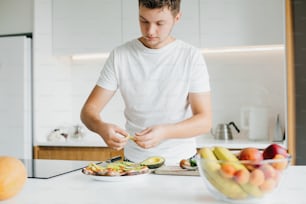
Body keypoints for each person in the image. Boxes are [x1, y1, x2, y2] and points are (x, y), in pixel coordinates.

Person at [80, 0, 212, 165]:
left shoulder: (191, 56)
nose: (150, 31)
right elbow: (88, 111)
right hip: (133, 163)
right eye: (144, 21)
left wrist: (165, 132)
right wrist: (101, 128)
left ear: (176, 18)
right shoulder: (120, 55)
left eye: (159, 23)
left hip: (181, 163)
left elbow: (204, 121)